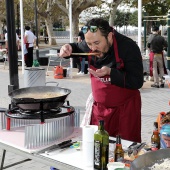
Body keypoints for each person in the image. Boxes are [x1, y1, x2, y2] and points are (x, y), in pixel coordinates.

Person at [59, 18, 143, 143]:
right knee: (98, 146)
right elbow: (77, 47)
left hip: (125, 111)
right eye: (89, 44)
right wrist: (68, 47)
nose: (92, 48)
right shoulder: (91, 44)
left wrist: (111, 73)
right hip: (100, 111)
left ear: (109, 36)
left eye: (97, 43)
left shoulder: (128, 47)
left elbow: (137, 81)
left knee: (125, 150)